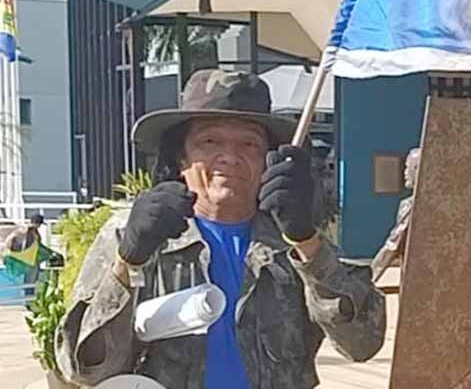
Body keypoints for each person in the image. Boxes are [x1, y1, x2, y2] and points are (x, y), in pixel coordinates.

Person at [56, 70, 386, 389]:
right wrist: (127, 263)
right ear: (181, 159)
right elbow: (83, 369)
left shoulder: (294, 243)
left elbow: (362, 343)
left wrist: (307, 241)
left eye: (249, 144)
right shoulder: (132, 235)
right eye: (209, 141)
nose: (229, 157)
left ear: (268, 160)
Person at [371, 147, 421, 282]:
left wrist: (370, 276)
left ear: (418, 170)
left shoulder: (410, 205)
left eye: (408, 167)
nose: (405, 173)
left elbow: (393, 245)